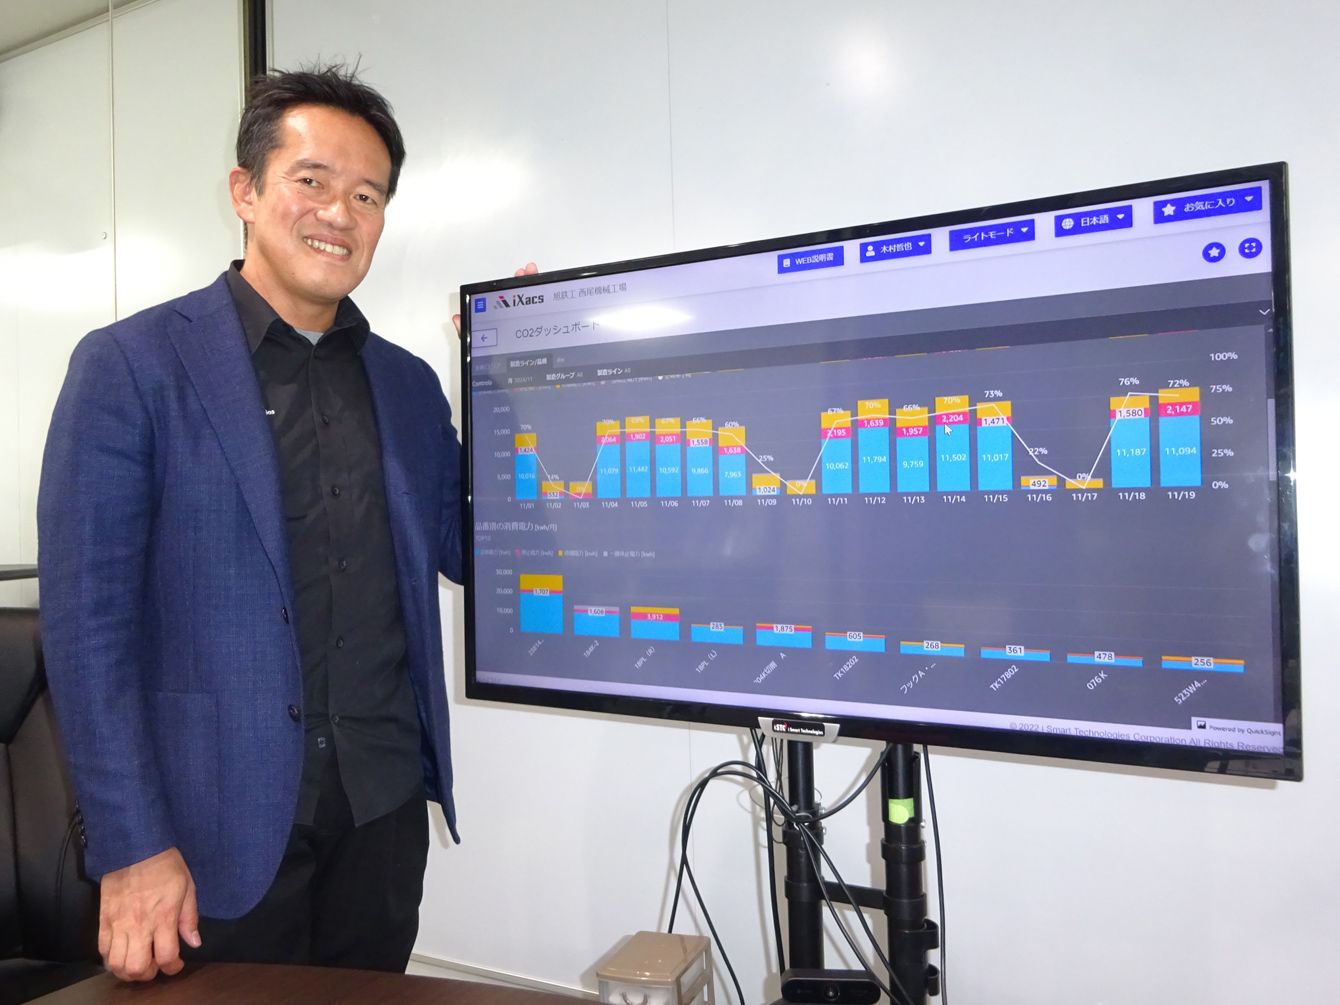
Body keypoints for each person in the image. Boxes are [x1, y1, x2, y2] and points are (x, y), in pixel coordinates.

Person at [37, 64, 533, 982]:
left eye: (367, 194)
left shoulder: (407, 385)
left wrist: (522, 391)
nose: (340, 212)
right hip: (208, 836)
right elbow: (85, 629)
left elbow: (474, 550)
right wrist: (132, 844)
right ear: (246, 191)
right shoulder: (131, 366)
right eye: (312, 180)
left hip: (380, 818)